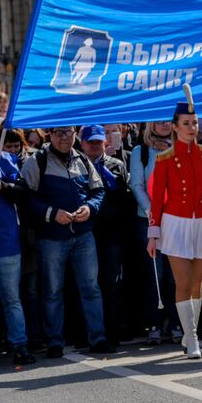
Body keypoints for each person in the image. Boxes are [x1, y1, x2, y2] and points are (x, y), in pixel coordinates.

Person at [147, 85, 202, 359]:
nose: (191, 127)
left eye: (195, 122)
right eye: (186, 123)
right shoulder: (164, 159)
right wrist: (153, 233)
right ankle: (193, 338)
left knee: (197, 283)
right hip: (175, 223)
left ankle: (189, 333)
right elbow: (156, 199)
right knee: (182, 281)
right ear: (175, 127)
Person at [21, 126, 114, 358]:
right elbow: (24, 197)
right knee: (52, 291)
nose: (64, 137)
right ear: (49, 135)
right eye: (59, 133)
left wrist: (89, 208)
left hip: (83, 235)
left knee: (91, 288)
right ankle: (54, 342)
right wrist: (52, 213)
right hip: (51, 238)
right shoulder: (37, 161)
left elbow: (98, 190)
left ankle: (98, 338)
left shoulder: (82, 158)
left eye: (69, 132)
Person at [129, 121, 181, 345]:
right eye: (158, 121)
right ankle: (154, 325)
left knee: (175, 275)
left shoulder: (182, 148)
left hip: (177, 219)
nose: (164, 125)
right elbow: (136, 185)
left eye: (168, 120)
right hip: (148, 219)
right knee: (154, 275)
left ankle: (178, 323)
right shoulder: (140, 152)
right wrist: (153, 212)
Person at [80, 125, 130, 345]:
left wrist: (110, 178)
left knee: (111, 283)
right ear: (81, 142)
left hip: (112, 234)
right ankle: (86, 330)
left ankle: (112, 329)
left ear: (105, 142)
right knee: (87, 284)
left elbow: (126, 198)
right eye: (90, 141)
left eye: (98, 141)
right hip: (84, 232)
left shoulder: (116, 165)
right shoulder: (75, 165)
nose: (94, 145)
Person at [0, 127, 36, 365]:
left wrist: (2, 187)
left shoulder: (4, 159)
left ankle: (19, 344)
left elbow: (24, 194)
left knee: (11, 297)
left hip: (5, 242)